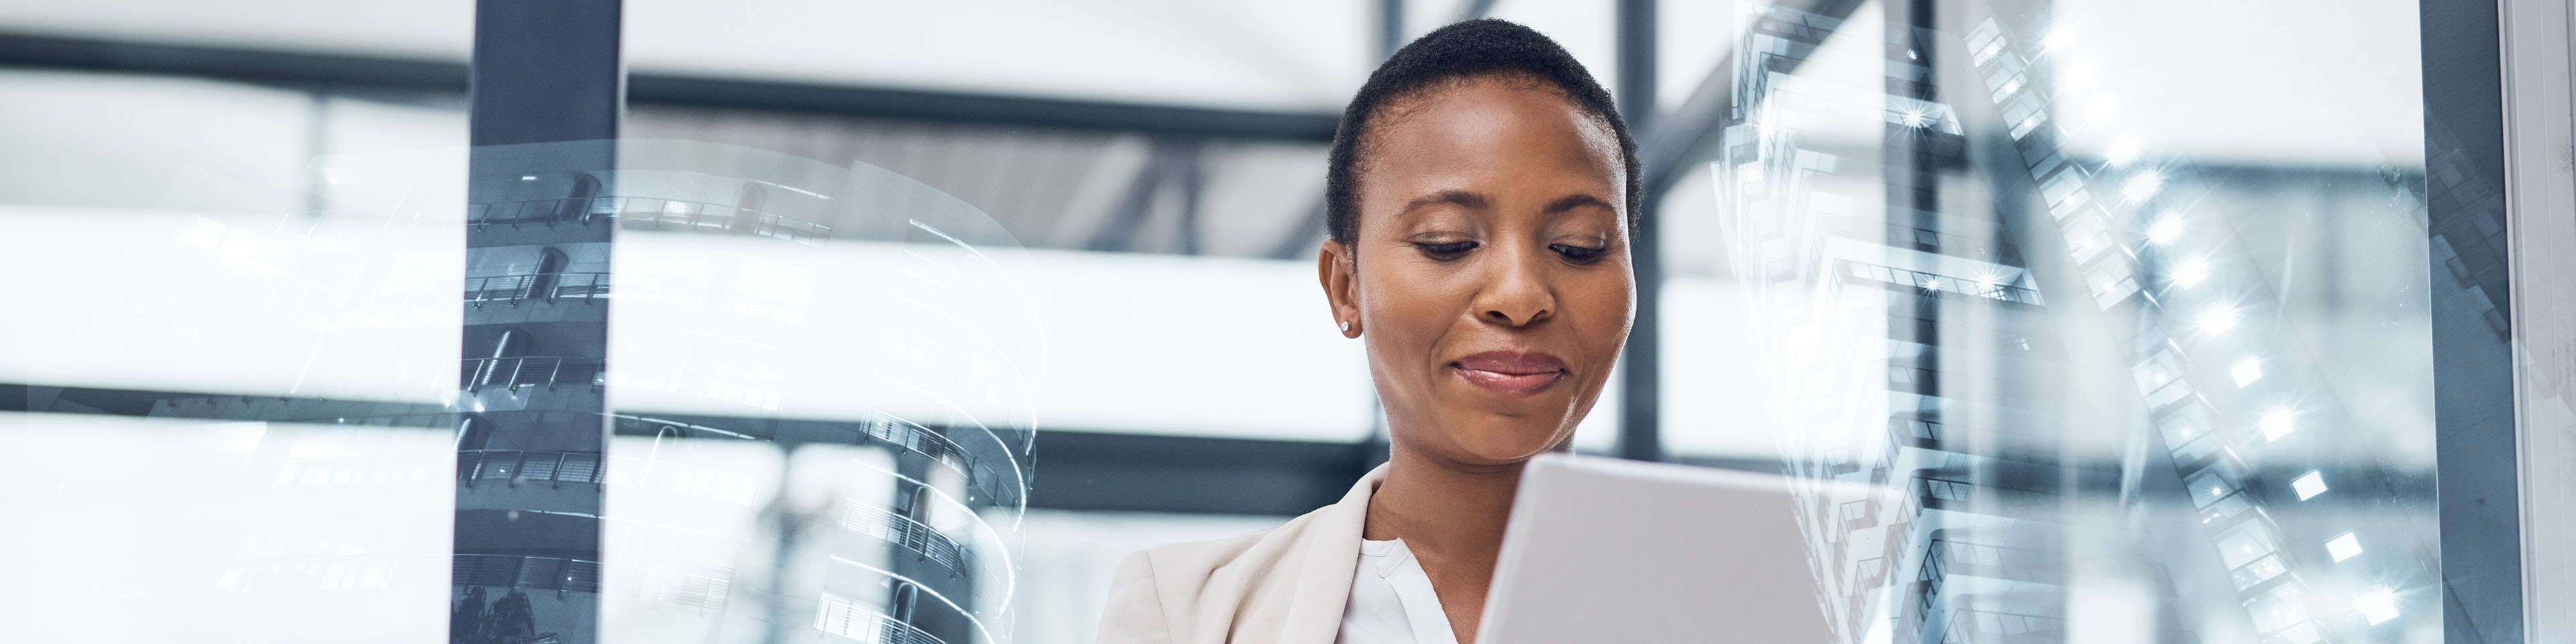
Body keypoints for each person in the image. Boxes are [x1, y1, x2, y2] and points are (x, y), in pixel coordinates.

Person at [1096, 19, 1642, 644]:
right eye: (1448, 243)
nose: (1519, 297)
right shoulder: (1187, 612)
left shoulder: (1753, 593)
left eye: (1578, 248)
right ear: (1345, 287)